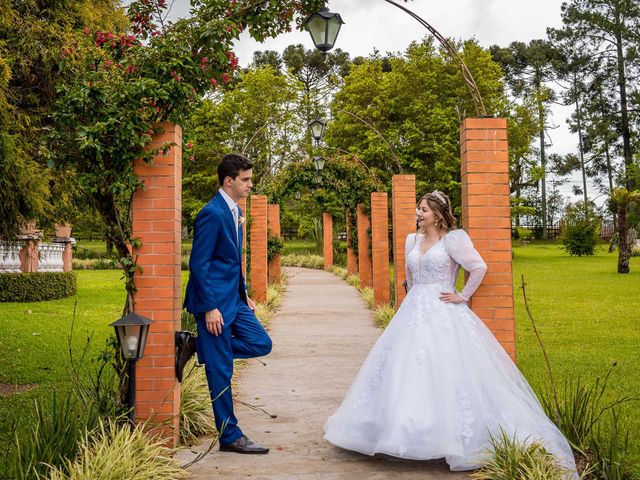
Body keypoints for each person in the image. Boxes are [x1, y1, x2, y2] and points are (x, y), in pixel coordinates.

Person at [323, 191, 577, 476]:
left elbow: (478, 267)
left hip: (443, 310)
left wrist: (463, 295)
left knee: (446, 369)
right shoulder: (411, 240)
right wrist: (412, 291)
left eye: (424, 210)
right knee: (400, 368)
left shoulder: (453, 240)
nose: (419, 214)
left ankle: (451, 436)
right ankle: (399, 430)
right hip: (412, 311)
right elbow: (410, 276)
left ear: (438, 215)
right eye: (418, 209)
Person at [179, 153, 272, 454]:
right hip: (214, 305)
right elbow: (199, 263)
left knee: (261, 342)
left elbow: (232, 261)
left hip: (234, 299)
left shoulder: (234, 211)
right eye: (245, 180)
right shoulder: (212, 213)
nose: (250, 184)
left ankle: (196, 346)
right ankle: (230, 435)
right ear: (228, 181)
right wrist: (208, 308)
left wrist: (244, 296)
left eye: (250, 179)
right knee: (220, 371)